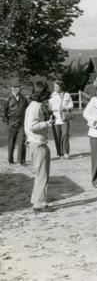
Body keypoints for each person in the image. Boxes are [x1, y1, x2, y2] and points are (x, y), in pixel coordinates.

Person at [25, 81, 55, 212]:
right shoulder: (35, 107)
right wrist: (47, 123)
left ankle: (36, 200)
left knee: (39, 174)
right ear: (41, 93)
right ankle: (39, 204)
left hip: (35, 142)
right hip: (38, 144)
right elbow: (32, 126)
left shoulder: (33, 105)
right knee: (42, 174)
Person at [1, 76, 28, 165]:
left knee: (22, 142)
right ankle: (10, 160)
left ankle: (21, 160)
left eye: (20, 87)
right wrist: (7, 123)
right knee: (11, 143)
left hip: (21, 124)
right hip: (11, 125)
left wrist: (26, 122)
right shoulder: (7, 99)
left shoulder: (24, 99)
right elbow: (3, 112)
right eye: (18, 87)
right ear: (13, 88)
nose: (20, 89)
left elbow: (27, 110)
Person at [48, 80, 74, 159]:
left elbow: (71, 105)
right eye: (54, 87)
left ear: (61, 87)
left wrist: (65, 108)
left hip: (65, 118)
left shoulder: (67, 95)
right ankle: (60, 153)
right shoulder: (52, 96)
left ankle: (66, 152)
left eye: (56, 87)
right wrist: (57, 109)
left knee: (65, 134)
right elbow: (50, 108)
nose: (55, 88)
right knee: (57, 136)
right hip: (56, 119)